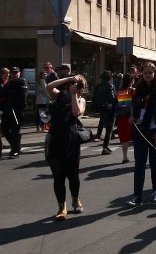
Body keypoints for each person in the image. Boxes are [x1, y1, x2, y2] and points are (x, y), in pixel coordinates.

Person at [45, 73, 88, 220]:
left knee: (73, 175)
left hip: (71, 140)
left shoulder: (81, 100)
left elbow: (76, 113)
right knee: (58, 176)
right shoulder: (58, 96)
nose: (75, 86)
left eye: (78, 84)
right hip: (55, 139)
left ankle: (75, 199)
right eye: (73, 83)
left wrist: (74, 95)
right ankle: (61, 207)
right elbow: (49, 86)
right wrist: (69, 78)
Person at [128, 63, 156, 205]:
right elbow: (134, 108)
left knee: (155, 163)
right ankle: (137, 196)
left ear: (155, 74)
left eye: (150, 72)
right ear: (142, 74)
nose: (148, 75)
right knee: (140, 164)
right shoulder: (138, 90)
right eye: (145, 72)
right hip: (140, 130)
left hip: (155, 130)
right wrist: (132, 117)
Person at [92, 71, 116, 153]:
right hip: (109, 109)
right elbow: (112, 98)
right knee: (109, 129)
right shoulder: (110, 85)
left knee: (103, 124)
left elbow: (94, 97)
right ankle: (105, 147)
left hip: (101, 109)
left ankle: (104, 144)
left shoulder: (98, 86)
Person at [115, 72, 136, 163]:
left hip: (120, 117)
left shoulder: (119, 92)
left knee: (124, 138)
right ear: (131, 81)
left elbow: (117, 105)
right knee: (135, 137)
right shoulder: (133, 91)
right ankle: (136, 156)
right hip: (131, 117)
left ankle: (125, 156)